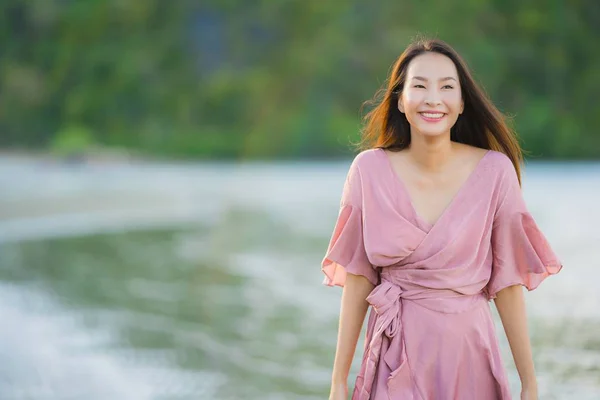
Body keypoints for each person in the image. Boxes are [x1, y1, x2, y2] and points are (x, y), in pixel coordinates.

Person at [320, 38, 563, 400]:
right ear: (400, 100)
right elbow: (358, 279)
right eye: (419, 86)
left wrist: (529, 383)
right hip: (393, 356)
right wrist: (338, 383)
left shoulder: (495, 172)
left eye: (447, 87)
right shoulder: (368, 171)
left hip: (468, 358)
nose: (433, 98)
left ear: (462, 102)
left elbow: (507, 283)